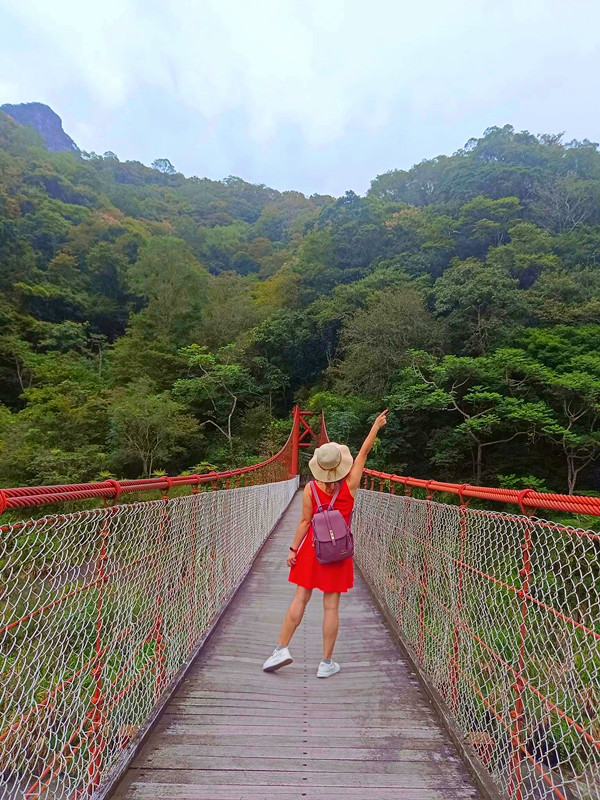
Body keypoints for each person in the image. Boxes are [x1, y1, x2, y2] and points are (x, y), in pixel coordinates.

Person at [262, 410, 388, 678]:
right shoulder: (350, 485)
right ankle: (326, 663)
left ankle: (281, 649)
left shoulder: (310, 489)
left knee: (300, 598)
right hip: (337, 552)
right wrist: (375, 426)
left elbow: (304, 522)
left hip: (311, 549)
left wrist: (293, 550)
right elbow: (364, 453)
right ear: (341, 465)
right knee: (331, 607)